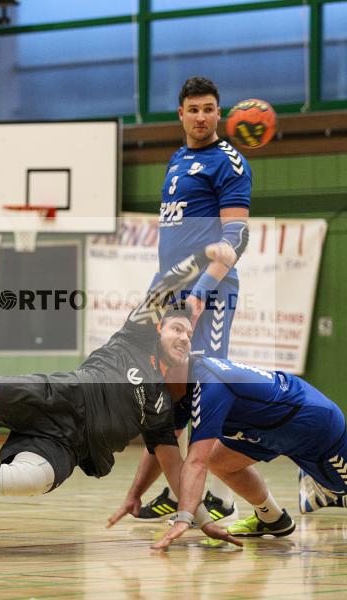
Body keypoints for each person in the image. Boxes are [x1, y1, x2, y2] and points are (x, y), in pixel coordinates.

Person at [0, 247, 240, 546]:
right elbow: (164, 288)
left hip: (70, 446)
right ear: (158, 330)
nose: (184, 337)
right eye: (177, 330)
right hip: (56, 395)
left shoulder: (162, 406)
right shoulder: (134, 336)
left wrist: (198, 517)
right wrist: (203, 259)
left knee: (28, 480)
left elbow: (173, 464)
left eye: (189, 336)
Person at [149, 357, 347, 550]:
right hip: (266, 428)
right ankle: (272, 518)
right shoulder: (178, 390)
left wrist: (185, 518)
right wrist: (135, 494)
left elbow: (195, 461)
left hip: (312, 426)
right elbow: (167, 449)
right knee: (221, 460)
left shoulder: (209, 385)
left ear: (170, 367)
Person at [136, 76, 252, 523]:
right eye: (194, 109)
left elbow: (235, 238)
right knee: (168, 393)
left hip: (211, 293)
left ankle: (233, 498)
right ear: (180, 114)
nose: (201, 116)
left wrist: (199, 295)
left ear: (218, 113)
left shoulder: (230, 163)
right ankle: (190, 493)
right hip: (171, 291)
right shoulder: (178, 158)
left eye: (209, 108)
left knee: (204, 390)